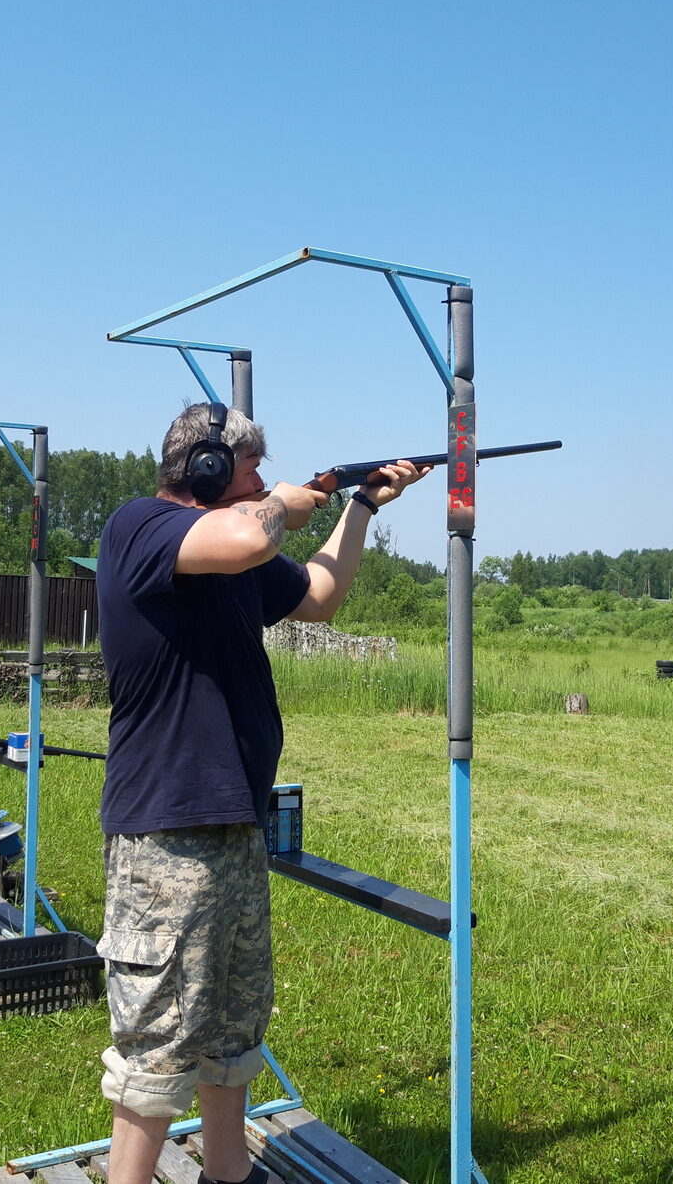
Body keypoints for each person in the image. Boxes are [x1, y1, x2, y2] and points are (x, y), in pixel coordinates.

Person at [96, 402, 429, 1184]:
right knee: (157, 1044)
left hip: (234, 821)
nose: (254, 486)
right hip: (167, 829)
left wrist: (359, 505)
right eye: (246, 470)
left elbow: (318, 593)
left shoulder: (238, 562)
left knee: (232, 1032)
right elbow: (250, 531)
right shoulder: (138, 527)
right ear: (208, 467)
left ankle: (227, 1174)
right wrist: (281, 500)